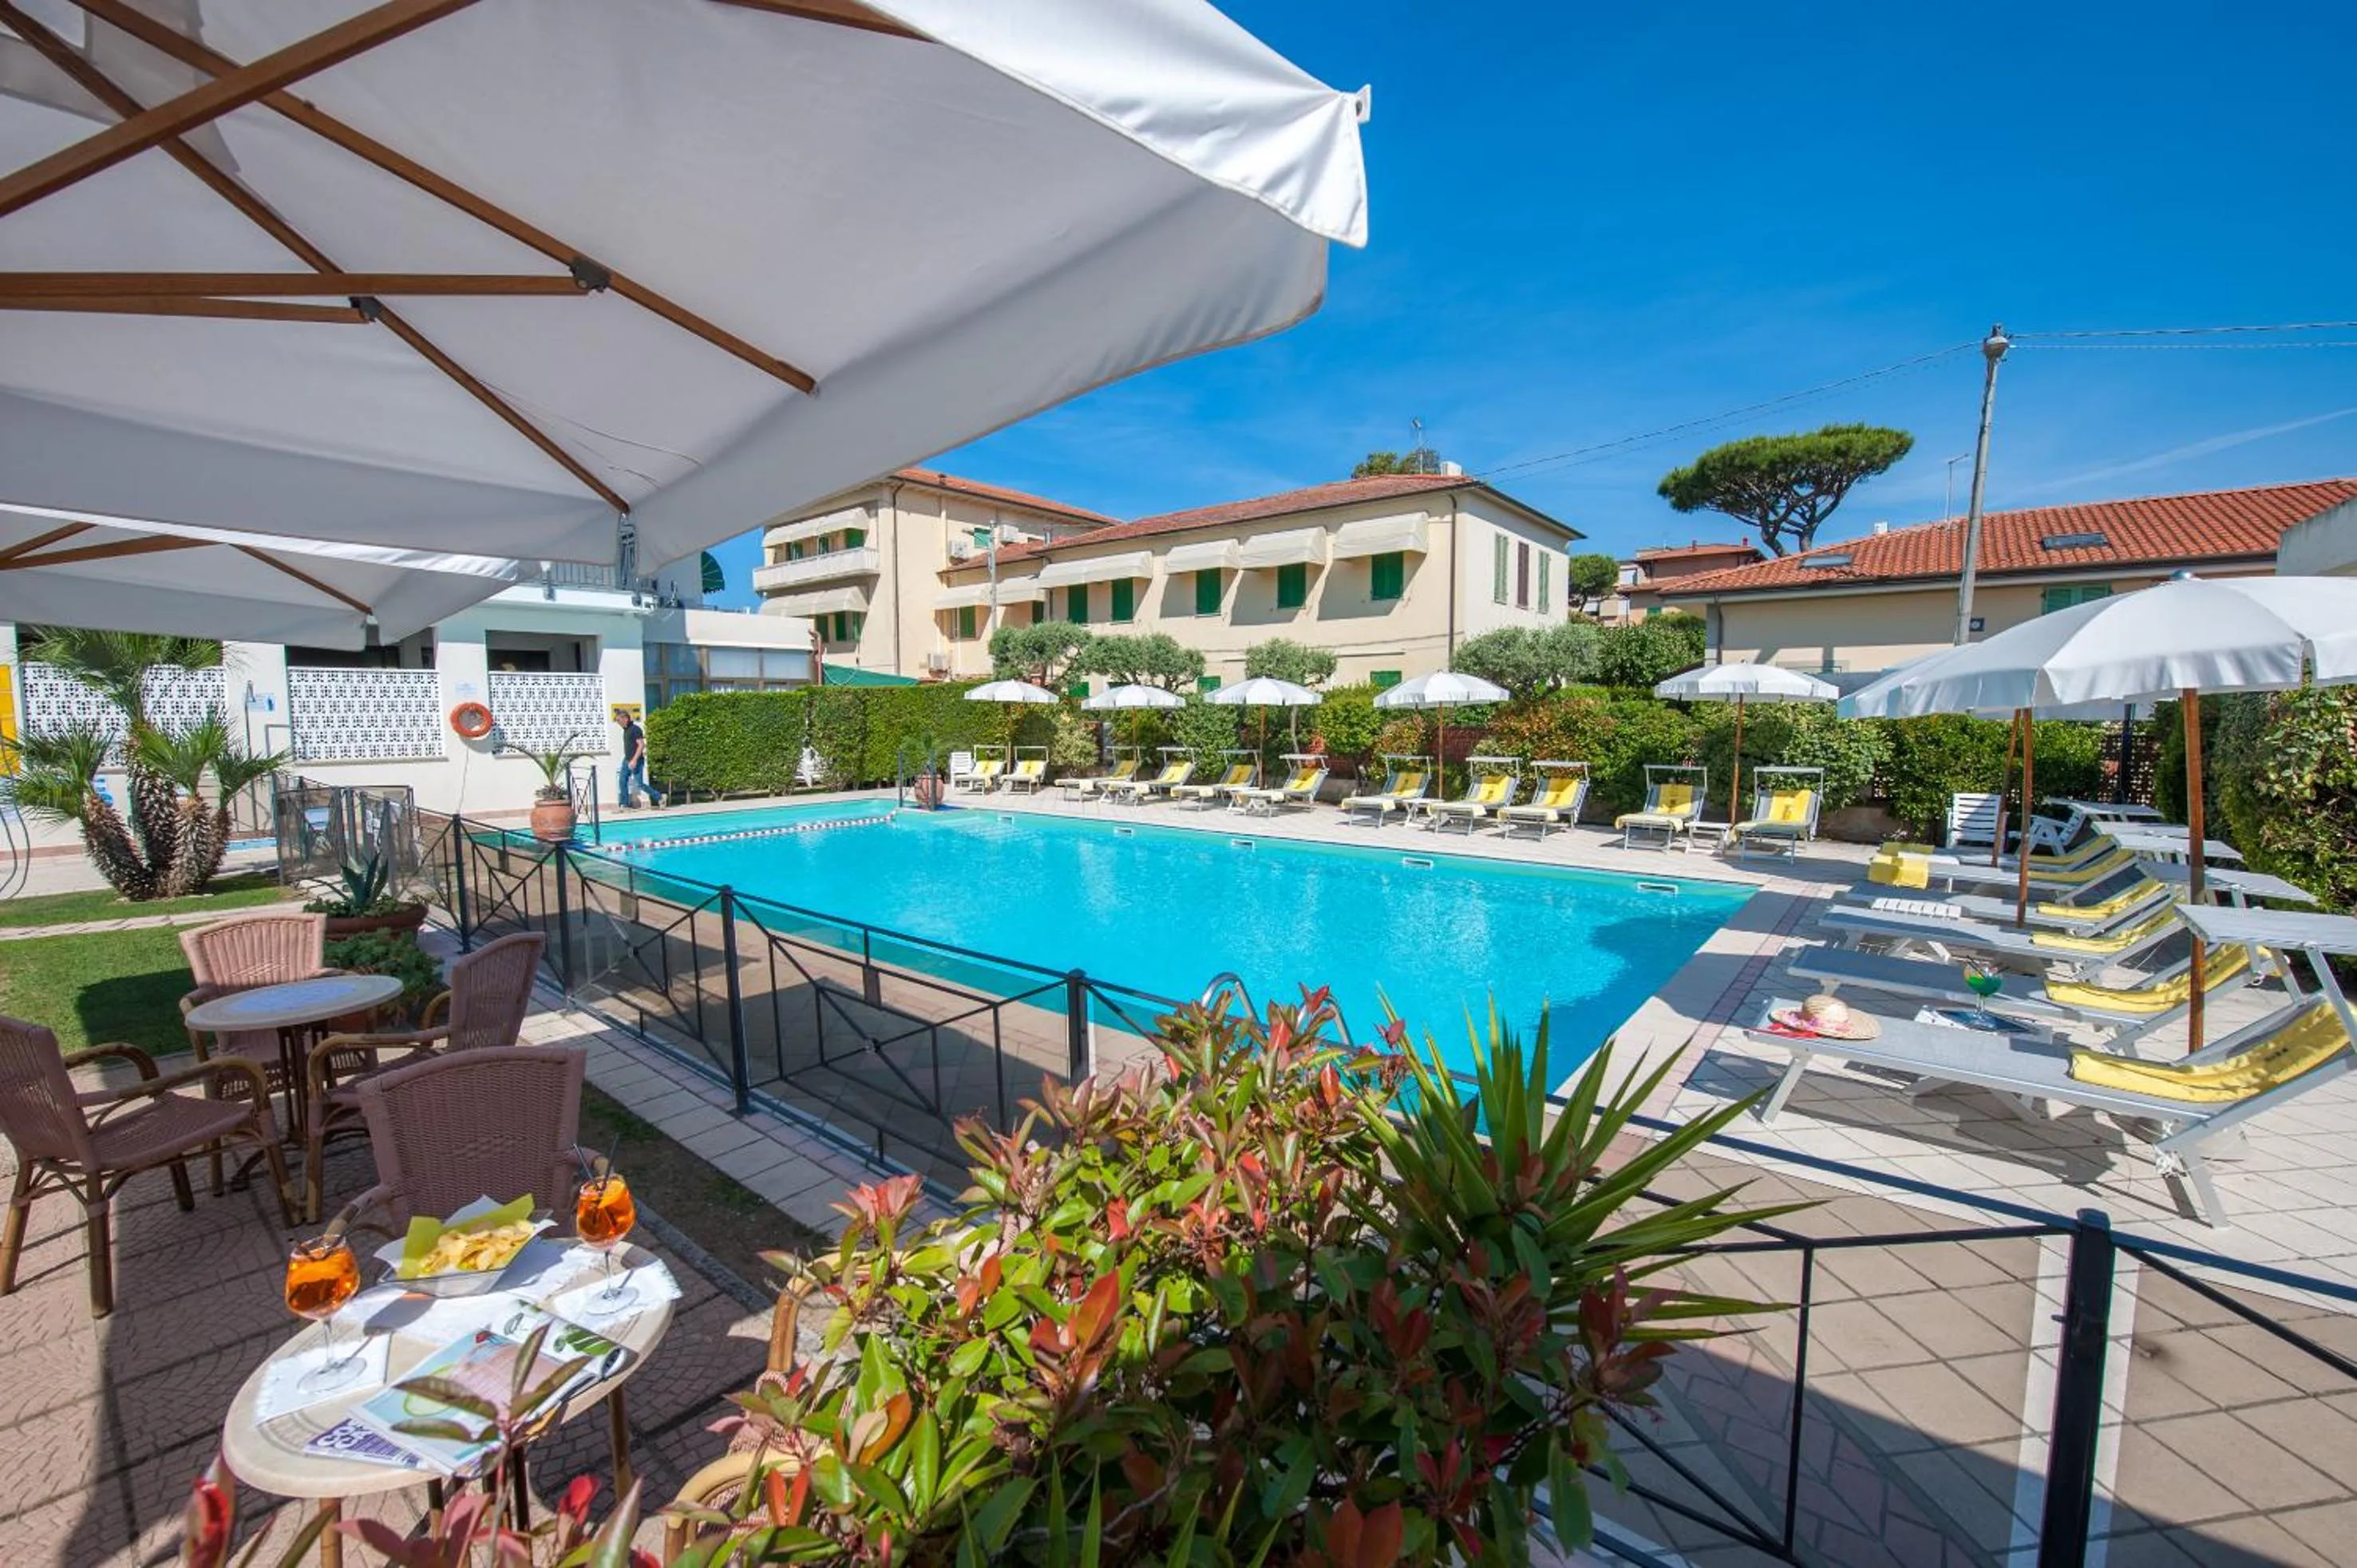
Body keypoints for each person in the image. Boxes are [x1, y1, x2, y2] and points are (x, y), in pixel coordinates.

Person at [618, 712, 658, 809]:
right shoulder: (626, 730)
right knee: (622, 780)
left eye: (619, 720)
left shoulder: (635, 729)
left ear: (626, 719)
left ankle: (659, 797)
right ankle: (625, 804)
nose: (618, 722)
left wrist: (634, 760)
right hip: (627, 759)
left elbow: (641, 745)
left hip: (637, 760)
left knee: (639, 784)